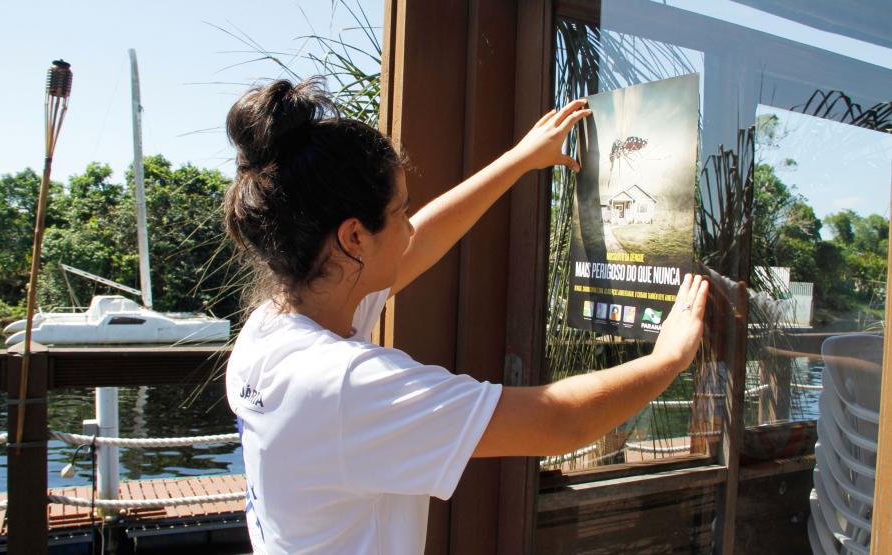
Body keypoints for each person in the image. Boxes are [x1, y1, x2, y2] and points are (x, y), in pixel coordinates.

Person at [223, 78, 708, 555]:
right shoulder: (347, 386)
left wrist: (521, 160)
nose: (410, 227)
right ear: (353, 239)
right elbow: (560, 422)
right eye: (400, 212)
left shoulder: (271, 329)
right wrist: (668, 359)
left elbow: (428, 238)